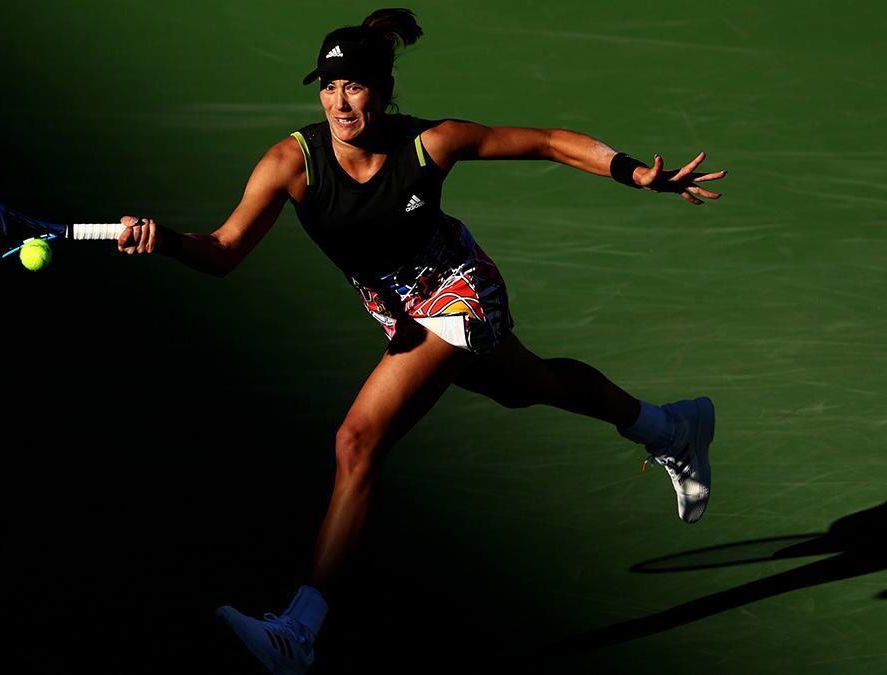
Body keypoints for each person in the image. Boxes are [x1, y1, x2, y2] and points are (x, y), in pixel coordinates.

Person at [115, 9, 726, 674]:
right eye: (327, 86)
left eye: (353, 86)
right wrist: (166, 240)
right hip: (404, 315)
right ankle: (668, 427)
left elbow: (548, 141)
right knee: (532, 386)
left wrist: (634, 172)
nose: (339, 100)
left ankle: (300, 627)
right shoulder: (292, 163)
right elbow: (224, 250)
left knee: (357, 439)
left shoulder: (428, 145)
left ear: (381, 87)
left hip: (462, 293)